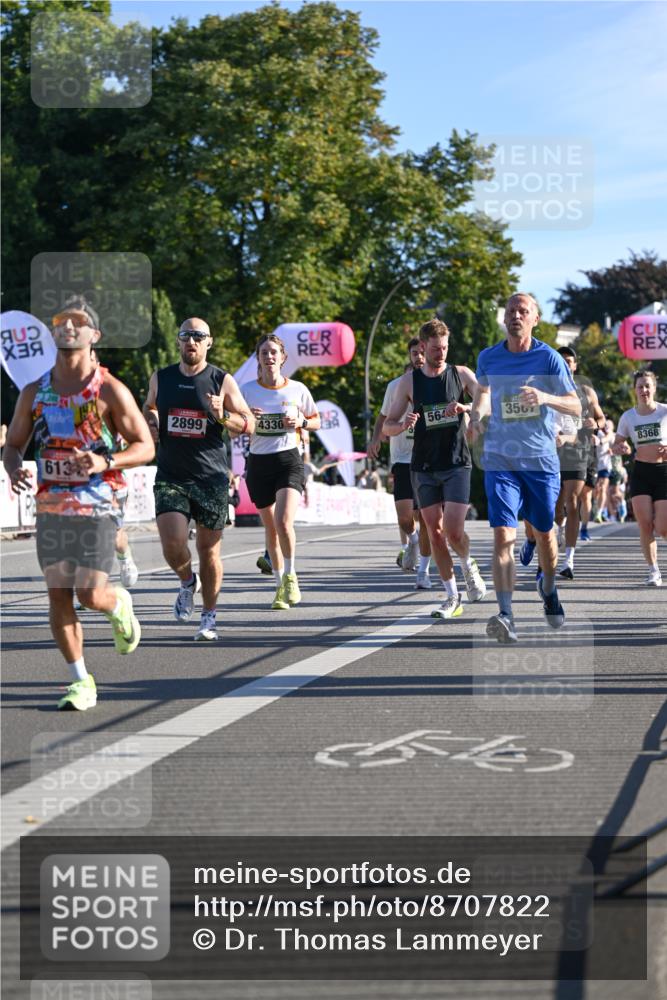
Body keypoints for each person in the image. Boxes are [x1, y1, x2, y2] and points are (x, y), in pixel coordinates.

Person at [3, 296, 154, 710]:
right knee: (57, 594)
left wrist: (105, 460)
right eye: (61, 322)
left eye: (78, 322)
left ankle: (117, 601)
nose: (68, 327)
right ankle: (80, 680)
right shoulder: (36, 392)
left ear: (94, 336)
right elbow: (14, 445)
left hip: (99, 505)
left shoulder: (109, 390)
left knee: (89, 594)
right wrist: (14, 466)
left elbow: (144, 446)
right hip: (51, 505)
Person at [469, 293, 581, 643]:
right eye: (511, 311)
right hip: (500, 459)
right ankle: (505, 614)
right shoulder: (489, 357)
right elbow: (483, 392)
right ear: (504, 318)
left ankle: (547, 588)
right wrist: (475, 415)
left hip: (540, 461)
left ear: (535, 318)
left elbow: (575, 406)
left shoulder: (548, 358)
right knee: (504, 535)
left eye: (523, 311)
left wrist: (545, 397)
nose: (516, 315)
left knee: (545, 534)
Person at [143, 317, 254, 640]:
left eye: (198, 336)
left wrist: (223, 416)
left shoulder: (222, 380)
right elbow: (149, 407)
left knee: (209, 552)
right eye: (185, 335)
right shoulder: (161, 378)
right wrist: (151, 420)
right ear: (178, 341)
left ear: (209, 342)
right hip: (171, 475)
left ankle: (209, 617)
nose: (191, 341)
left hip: (210, 478)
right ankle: (186, 582)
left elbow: (249, 423)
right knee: (172, 543)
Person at [384, 318, 487, 618]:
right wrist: (402, 424)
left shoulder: (460, 374)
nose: (441, 353)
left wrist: (468, 409)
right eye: (435, 349)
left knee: (454, 532)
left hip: (456, 462)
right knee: (436, 532)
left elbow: (485, 395)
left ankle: (469, 565)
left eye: (444, 347)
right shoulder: (409, 382)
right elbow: (388, 426)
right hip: (424, 466)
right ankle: (452, 597)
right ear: (423, 347)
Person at [241, 333, 320, 609]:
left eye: (274, 352)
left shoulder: (297, 389)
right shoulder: (246, 390)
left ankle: (291, 576)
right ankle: (278, 587)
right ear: (258, 359)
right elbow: (232, 425)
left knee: (284, 521)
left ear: (282, 358)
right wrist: (247, 419)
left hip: (288, 459)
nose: (269, 357)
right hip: (258, 462)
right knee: (271, 529)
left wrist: (300, 420)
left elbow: (316, 421)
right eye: (264, 353)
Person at [369, 338, 433, 587]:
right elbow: (383, 416)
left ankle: (423, 571)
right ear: (409, 355)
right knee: (406, 518)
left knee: (425, 516)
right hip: (402, 457)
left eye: (421, 352)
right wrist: (376, 438)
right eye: (414, 353)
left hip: (428, 457)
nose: (418, 357)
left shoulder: (437, 383)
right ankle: (413, 541)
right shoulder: (395, 386)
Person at [553, 346, 606, 580]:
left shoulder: (586, 391)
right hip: (553, 450)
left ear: (575, 365)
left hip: (578, 450)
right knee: (555, 503)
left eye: (569, 361)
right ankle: (559, 530)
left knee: (572, 500)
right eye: (561, 360)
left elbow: (601, 417)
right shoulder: (547, 389)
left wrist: (596, 424)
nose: (566, 364)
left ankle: (568, 559)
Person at [613, 369, 667, 586]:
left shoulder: (665, 411)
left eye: (647, 385)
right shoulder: (628, 416)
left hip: (664, 472)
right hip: (641, 473)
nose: (644, 390)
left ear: (654, 388)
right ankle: (653, 570)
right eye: (640, 386)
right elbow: (617, 443)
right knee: (644, 525)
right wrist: (622, 447)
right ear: (634, 390)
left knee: (663, 527)